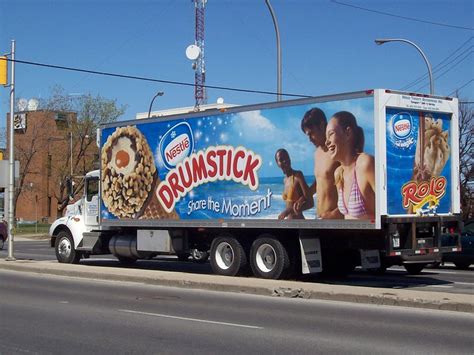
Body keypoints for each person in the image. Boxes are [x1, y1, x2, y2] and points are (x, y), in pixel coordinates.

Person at [325, 111, 375, 220]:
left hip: (372, 236)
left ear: (348, 133)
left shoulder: (365, 164)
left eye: (331, 134)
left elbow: (387, 205)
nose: (326, 142)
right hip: (349, 236)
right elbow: (347, 214)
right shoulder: (339, 173)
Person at [297, 108, 341, 219]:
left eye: (311, 133)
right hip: (320, 218)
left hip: (336, 221)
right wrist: (305, 196)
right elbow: (321, 180)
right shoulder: (317, 153)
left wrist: (334, 214)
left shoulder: (338, 151)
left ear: (322, 126)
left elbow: (353, 188)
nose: (309, 139)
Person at [275, 149, 312, 219]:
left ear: (290, 158)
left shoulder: (298, 176)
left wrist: (288, 211)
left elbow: (310, 203)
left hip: (299, 224)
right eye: (281, 159)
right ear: (277, 163)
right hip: (290, 224)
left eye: (286, 157)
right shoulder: (285, 180)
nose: (285, 161)